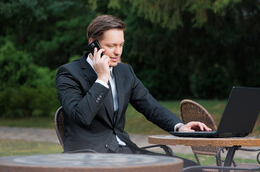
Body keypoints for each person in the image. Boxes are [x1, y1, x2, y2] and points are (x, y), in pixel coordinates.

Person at [55, 14, 211, 168]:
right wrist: (102, 79)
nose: (118, 52)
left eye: (121, 45)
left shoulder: (125, 72)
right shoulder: (69, 73)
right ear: (93, 44)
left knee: (191, 168)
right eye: (111, 46)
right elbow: (81, 117)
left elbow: (150, 106)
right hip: (90, 156)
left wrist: (179, 126)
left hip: (126, 152)